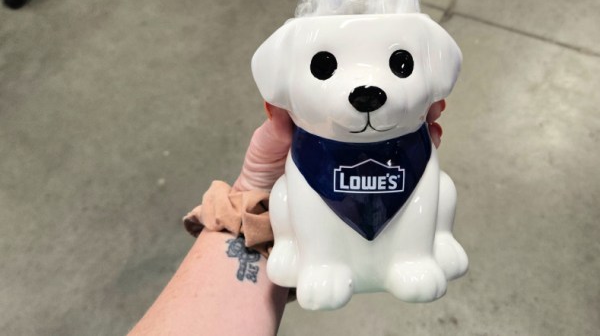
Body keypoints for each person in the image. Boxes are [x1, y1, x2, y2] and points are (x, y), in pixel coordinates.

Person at [129, 102, 446, 336]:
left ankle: (433, 244)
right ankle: (301, 251)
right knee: (286, 197)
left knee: (435, 191)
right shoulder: (306, 153)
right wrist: (255, 197)